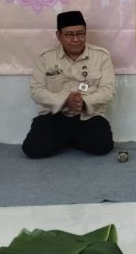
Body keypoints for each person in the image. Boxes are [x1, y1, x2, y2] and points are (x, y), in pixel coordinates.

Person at [21, 11, 115, 158]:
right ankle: (68, 138)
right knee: (33, 149)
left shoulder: (102, 56)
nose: (76, 39)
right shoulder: (45, 58)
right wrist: (65, 100)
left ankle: (64, 140)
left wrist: (83, 102)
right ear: (58, 35)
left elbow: (107, 91)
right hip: (55, 116)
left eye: (80, 33)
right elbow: (36, 91)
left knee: (103, 146)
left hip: (88, 116)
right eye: (70, 34)